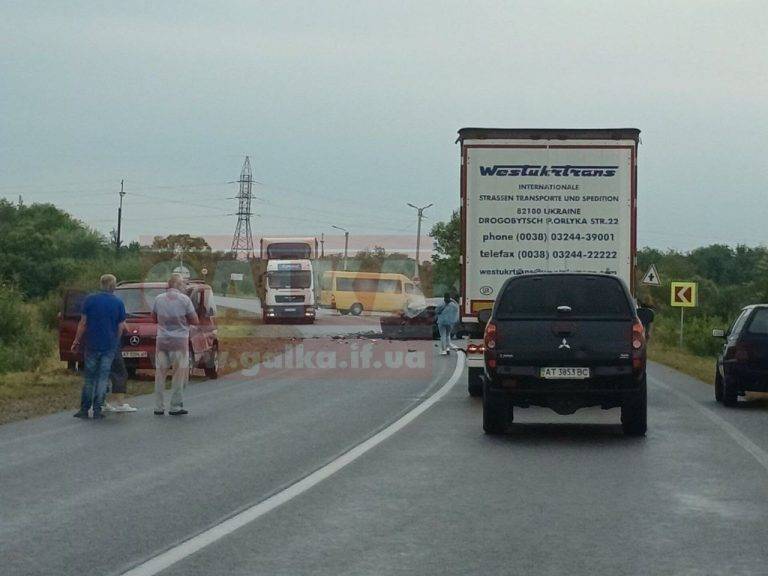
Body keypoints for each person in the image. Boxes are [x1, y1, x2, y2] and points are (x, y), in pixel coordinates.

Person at [71, 274, 126, 420]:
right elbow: (121, 327)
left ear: (101, 284)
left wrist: (76, 340)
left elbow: (83, 323)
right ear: (113, 286)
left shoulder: (90, 300)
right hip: (109, 346)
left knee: (89, 377)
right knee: (103, 378)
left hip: (92, 344)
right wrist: (115, 341)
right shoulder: (118, 303)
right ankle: (97, 409)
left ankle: (84, 409)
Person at [152, 273, 199, 415]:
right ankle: (175, 406)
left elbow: (154, 318)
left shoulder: (158, 299)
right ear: (178, 285)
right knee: (179, 374)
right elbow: (194, 320)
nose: (185, 286)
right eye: (183, 284)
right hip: (179, 342)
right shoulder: (185, 300)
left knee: (160, 374)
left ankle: (158, 407)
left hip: (162, 341)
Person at [103, 340, 138, 413]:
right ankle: (120, 404)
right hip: (112, 344)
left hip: (97, 346)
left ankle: (101, 402)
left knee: (103, 373)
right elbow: (120, 329)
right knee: (120, 373)